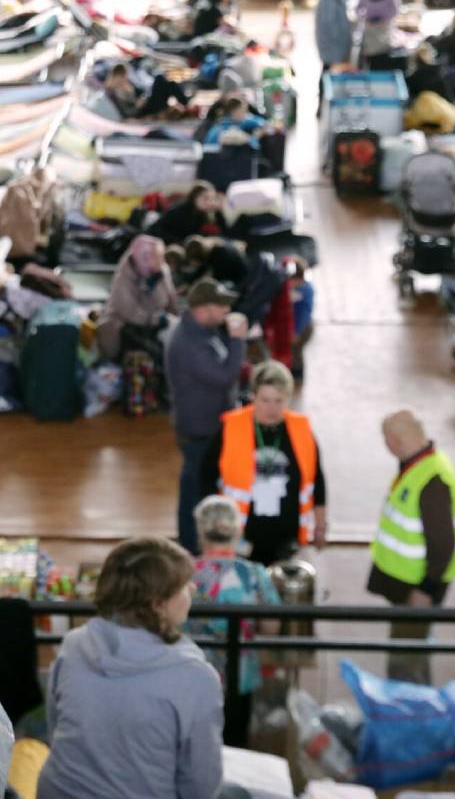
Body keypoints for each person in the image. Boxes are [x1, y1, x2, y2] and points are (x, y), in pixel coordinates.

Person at [37, 537, 248, 799]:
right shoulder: (196, 677)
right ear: (158, 605)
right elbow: (201, 787)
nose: (193, 589)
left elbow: (55, 729)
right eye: (183, 585)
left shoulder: (74, 644)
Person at [367, 410, 455, 685]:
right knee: (411, 646)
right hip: (407, 583)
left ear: (395, 441)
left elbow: (443, 544)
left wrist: (426, 589)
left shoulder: (431, 480)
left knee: (406, 658)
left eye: (385, 438)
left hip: (417, 588)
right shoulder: (420, 464)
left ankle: (409, 702)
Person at [200, 360, 327, 565]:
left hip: (287, 535)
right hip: (242, 533)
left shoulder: (302, 430)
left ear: (288, 398)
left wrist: (320, 525)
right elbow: (206, 476)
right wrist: (215, 524)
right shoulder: (231, 427)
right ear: (253, 396)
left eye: (279, 400)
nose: (272, 408)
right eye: (265, 400)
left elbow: (317, 480)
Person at [188, 496, 282, 749]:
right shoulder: (254, 574)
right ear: (238, 530)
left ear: (200, 531)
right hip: (239, 676)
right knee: (235, 745)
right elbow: (271, 628)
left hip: (191, 675)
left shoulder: (183, 573)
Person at [166, 279, 248, 555]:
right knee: (195, 491)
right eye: (221, 305)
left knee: (200, 485)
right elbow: (223, 377)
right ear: (202, 309)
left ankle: (198, 544)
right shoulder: (188, 343)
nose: (227, 310)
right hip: (198, 430)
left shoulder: (204, 332)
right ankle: (191, 547)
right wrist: (237, 340)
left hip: (208, 424)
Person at [96, 235, 176, 362]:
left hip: (154, 325)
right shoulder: (123, 279)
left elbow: (171, 301)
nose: (160, 261)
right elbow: (130, 313)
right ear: (143, 257)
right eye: (156, 257)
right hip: (124, 327)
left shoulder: (162, 270)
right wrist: (156, 319)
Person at [314, 0, 353, 114]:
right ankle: (321, 107)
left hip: (336, 44)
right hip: (332, 45)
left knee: (328, 73)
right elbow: (328, 26)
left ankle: (325, 106)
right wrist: (339, 47)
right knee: (327, 73)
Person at [104, 63, 191, 120]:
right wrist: (138, 106)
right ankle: (185, 103)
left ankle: (185, 102)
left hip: (145, 106)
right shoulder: (112, 92)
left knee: (167, 81)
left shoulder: (126, 86)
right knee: (160, 78)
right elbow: (127, 113)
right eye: (123, 76)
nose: (126, 78)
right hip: (140, 112)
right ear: (116, 76)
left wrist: (140, 98)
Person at [147, 184, 223, 245]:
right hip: (162, 241)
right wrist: (179, 242)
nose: (209, 202)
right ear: (195, 197)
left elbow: (223, 231)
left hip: (182, 243)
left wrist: (218, 211)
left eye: (212, 199)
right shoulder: (180, 210)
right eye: (206, 198)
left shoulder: (204, 213)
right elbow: (155, 230)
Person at [356, 0, 400, 71]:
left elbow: (395, 9)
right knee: (369, 62)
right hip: (369, 32)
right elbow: (358, 9)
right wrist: (364, 18)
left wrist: (384, 20)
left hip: (384, 31)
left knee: (382, 61)